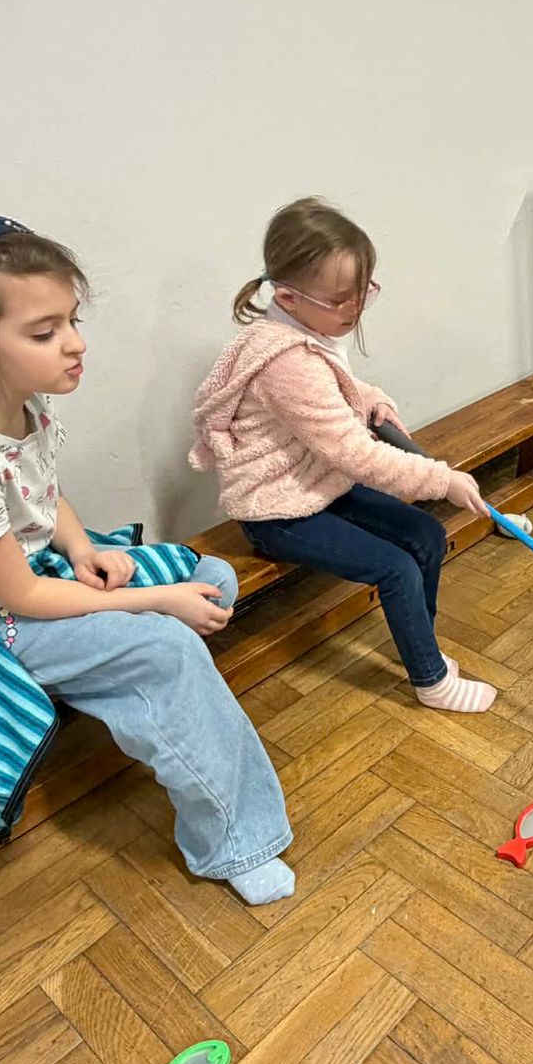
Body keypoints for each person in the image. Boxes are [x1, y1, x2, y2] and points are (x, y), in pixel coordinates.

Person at [0, 214, 294, 905]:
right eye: (44, 332)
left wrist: (83, 546)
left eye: (72, 321)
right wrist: (152, 603)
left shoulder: (21, 404)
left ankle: (122, 672)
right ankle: (236, 841)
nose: (76, 344)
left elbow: (41, 494)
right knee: (168, 645)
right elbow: (20, 597)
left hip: (22, 577)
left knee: (210, 578)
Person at [191, 197, 496, 712]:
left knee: (425, 534)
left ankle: (422, 648)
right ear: (288, 298)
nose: (354, 310)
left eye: (362, 293)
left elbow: (334, 386)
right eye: (340, 300)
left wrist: (371, 398)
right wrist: (441, 479)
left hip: (317, 483)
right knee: (396, 567)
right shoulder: (286, 361)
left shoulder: (304, 332)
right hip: (278, 510)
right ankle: (431, 681)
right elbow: (354, 453)